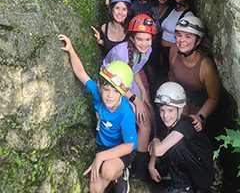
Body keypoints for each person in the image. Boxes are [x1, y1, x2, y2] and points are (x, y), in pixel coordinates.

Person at [58, 34, 138, 193]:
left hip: (122, 150)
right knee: (94, 188)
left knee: (107, 170)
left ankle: (121, 174)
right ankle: (112, 175)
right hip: (103, 146)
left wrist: (100, 157)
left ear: (122, 94)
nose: (109, 95)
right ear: (100, 87)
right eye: (106, 89)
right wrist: (71, 50)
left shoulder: (126, 113)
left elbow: (129, 146)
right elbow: (81, 73)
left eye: (115, 92)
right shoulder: (97, 92)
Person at [101, 14, 157, 181]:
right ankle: (138, 170)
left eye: (148, 39)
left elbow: (135, 69)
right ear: (131, 39)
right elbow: (117, 83)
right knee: (143, 120)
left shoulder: (146, 49)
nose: (144, 43)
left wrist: (145, 93)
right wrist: (137, 101)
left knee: (151, 115)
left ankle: (146, 163)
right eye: (140, 39)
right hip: (113, 84)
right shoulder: (121, 54)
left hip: (128, 81)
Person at [148, 82, 214, 193]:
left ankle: (184, 187)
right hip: (190, 169)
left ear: (180, 109)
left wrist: (155, 142)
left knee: (176, 146)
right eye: (162, 110)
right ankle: (179, 182)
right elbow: (158, 138)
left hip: (204, 176)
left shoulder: (186, 124)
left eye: (170, 110)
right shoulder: (166, 123)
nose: (165, 115)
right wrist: (151, 165)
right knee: (167, 144)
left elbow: (158, 149)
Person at [168, 15, 221, 142]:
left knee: (187, 131)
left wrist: (199, 117)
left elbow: (213, 98)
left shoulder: (205, 66)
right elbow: (172, 76)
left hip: (200, 103)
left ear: (198, 41)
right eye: (179, 35)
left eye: (188, 36)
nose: (182, 40)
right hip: (182, 96)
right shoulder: (173, 51)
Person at [160, 0, 194, 80]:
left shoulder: (188, 15)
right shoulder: (171, 9)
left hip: (174, 53)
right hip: (163, 52)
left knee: (170, 78)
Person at [147, 0, 173, 97]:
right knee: (152, 68)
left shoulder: (172, 10)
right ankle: (153, 92)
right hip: (152, 46)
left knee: (165, 72)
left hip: (165, 48)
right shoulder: (153, 9)